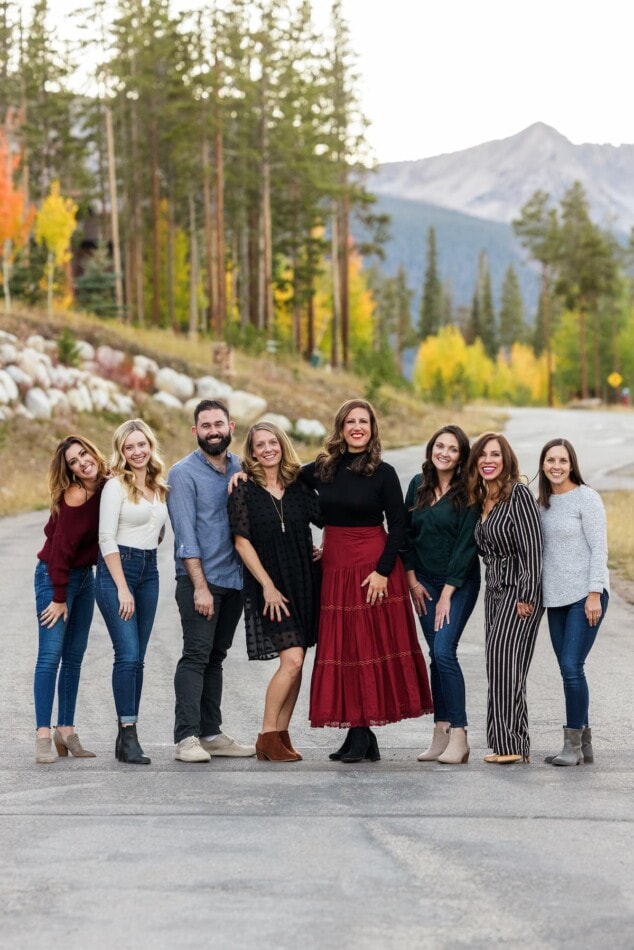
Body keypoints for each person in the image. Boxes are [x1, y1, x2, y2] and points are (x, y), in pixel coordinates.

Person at [300, 398, 433, 763]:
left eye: (364, 422)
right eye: (350, 421)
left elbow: (399, 526)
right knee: (343, 648)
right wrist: (243, 473)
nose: (357, 427)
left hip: (372, 568)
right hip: (335, 565)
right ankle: (360, 734)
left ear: (372, 429)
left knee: (365, 649)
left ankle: (360, 734)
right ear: (340, 427)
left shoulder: (383, 472)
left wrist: (381, 571)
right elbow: (282, 478)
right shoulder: (323, 469)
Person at [228, 421, 323, 762]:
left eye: (273, 442)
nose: (268, 448)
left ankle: (282, 734)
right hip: (270, 587)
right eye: (260, 444)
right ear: (251, 451)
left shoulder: (299, 487)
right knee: (292, 659)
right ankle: (267, 734)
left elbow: (333, 518)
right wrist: (267, 585)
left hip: (304, 582)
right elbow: (241, 541)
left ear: (282, 445)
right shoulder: (244, 490)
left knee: (298, 662)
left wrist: (326, 548)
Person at [167, 399, 255, 763]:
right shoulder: (183, 473)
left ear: (231, 426)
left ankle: (211, 733)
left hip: (234, 580)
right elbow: (185, 534)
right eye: (206, 426)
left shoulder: (242, 466)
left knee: (217, 657)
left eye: (219, 424)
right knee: (196, 655)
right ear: (195, 431)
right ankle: (186, 737)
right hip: (200, 581)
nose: (213, 431)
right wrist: (200, 587)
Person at [402, 426, 480, 765]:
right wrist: (412, 580)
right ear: (431, 448)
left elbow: (467, 546)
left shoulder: (469, 492)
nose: (444, 452)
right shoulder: (415, 487)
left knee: (446, 650)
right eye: (439, 445)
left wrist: (448, 592)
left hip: (458, 582)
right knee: (436, 653)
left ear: (461, 456)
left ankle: (460, 736)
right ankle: (441, 732)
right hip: (423, 583)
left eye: (452, 448)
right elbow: (404, 534)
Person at [466, 432, 544, 765]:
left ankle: (510, 744)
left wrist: (527, 594)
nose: (488, 460)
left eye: (495, 455)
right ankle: (512, 744)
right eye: (483, 455)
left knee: (504, 663)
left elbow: (534, 548)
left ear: (506, 459)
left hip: (519, 592)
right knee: (501, 667)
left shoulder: (519, 495)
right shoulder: (483, 499)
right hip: (494, 591)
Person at [96, 419, 168, 766]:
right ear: (121, 452)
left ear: (150, 446)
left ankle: (127, 734)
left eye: (142, 444)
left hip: (149, 570)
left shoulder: (158, 486)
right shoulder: (116, 487)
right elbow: (106, 537)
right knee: (126, 655)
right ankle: (128, 734)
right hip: (118, 572)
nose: (137, 452)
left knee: (138, 657)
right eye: (129, 447)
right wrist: (122, 587)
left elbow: (156, 530)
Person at [33, 436, 109, 764]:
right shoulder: (76, 494)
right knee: (50, 656)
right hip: (55, 578)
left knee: (74, 657)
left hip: (84, 579)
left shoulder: (109, 486)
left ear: (93, 451)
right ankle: (42, 735)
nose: (81, 462)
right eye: (74, 462)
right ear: (71, 471)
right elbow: (61, 549)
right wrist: (60, 597)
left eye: (83, 454)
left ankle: (66, 729)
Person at [538, 438, 609, 766]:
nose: (556, 466)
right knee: (569, 670)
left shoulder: (587, 497)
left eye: (562, 460)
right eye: (550, 460)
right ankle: (584, 744)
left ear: (571, 464)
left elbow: (599, 548)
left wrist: (594, 593)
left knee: (571, 666)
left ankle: (572, 745)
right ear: (542, 464)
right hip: (555, 599)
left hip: (586, 596)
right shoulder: (542, 503)